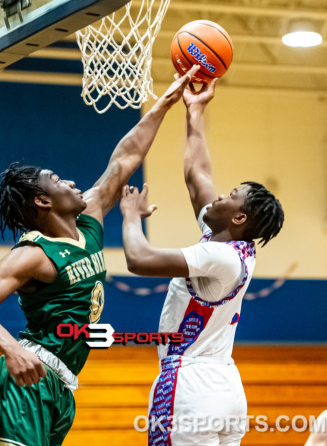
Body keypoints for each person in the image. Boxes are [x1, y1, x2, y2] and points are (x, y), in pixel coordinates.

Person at [0, 65, 201, 446]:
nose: (70, 182)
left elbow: (126, 157)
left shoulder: (88, 221)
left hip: (62, 385)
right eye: (57, 180)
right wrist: (12, 350)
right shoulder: (35, 254)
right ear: (43, 200)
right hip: (30, 380)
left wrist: (166, 102)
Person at [120, 78, 285, 445]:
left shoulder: (216, 256)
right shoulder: (234, 245)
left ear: (238, 218)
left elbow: (139, 259)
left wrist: (131, 216)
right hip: (225, 387)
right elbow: (198, 177)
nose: (220, 195)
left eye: (231, 196)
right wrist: (195, 111)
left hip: (190, 385)